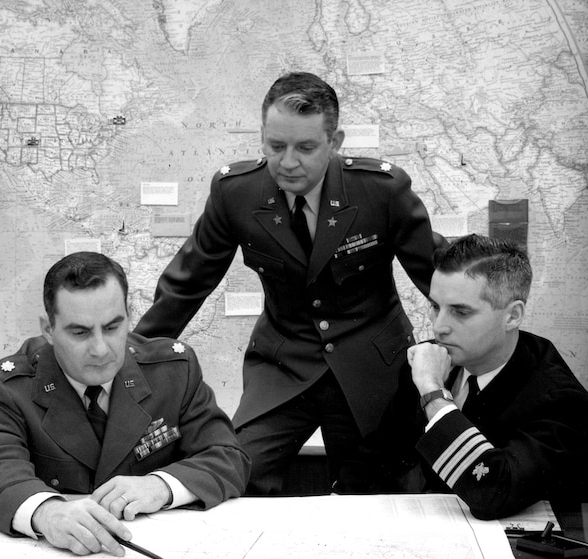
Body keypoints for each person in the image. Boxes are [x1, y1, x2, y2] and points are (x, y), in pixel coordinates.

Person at [135, 71, 439, 494]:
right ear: (262, 136)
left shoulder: (381, 191)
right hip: (283, 365)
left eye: (306, 147)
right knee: (237, 473)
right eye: (276, 146)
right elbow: (187, 285)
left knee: (378, 492)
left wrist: (476, 340)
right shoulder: (236, 193)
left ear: (335, 142)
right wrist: (130, 360)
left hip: (372, 368)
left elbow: (439, 275)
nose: (288, 161)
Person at [0, 252, 249, 557]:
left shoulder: (174, 371)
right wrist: (46, 512)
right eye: (80, 332)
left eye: (112, 328)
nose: (100, 349)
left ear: (128, 315)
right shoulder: (7, 387)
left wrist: (159, 486)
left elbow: (227, 457)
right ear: (48, 329)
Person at [405, 234, 588, 519]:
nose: (439, 327)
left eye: (460, 312)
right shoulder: (436, 357)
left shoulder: (560, 398)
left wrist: (434, 394)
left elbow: (493, 491)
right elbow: (381, 452)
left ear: (513, 316)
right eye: (435, 307)